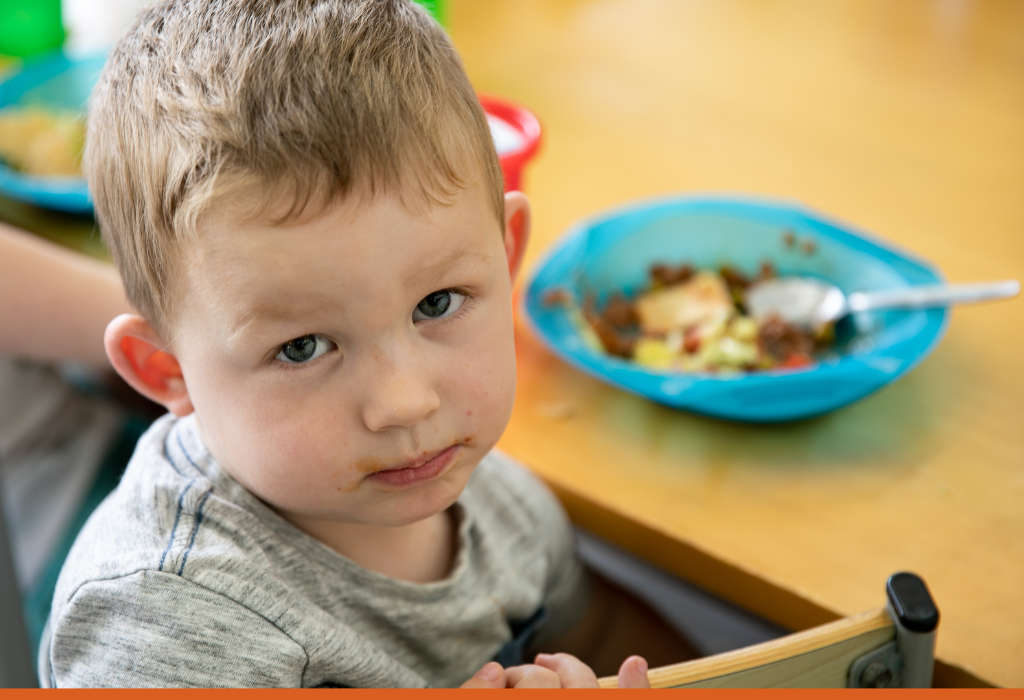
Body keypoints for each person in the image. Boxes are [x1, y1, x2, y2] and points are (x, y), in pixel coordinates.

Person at [41, 0, 698, 688]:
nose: (405, 402)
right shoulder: (158, 626)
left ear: (506, 258)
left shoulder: (502, 502)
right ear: (167, 370)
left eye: (436, 304)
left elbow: (607, 637)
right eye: (302, 348)